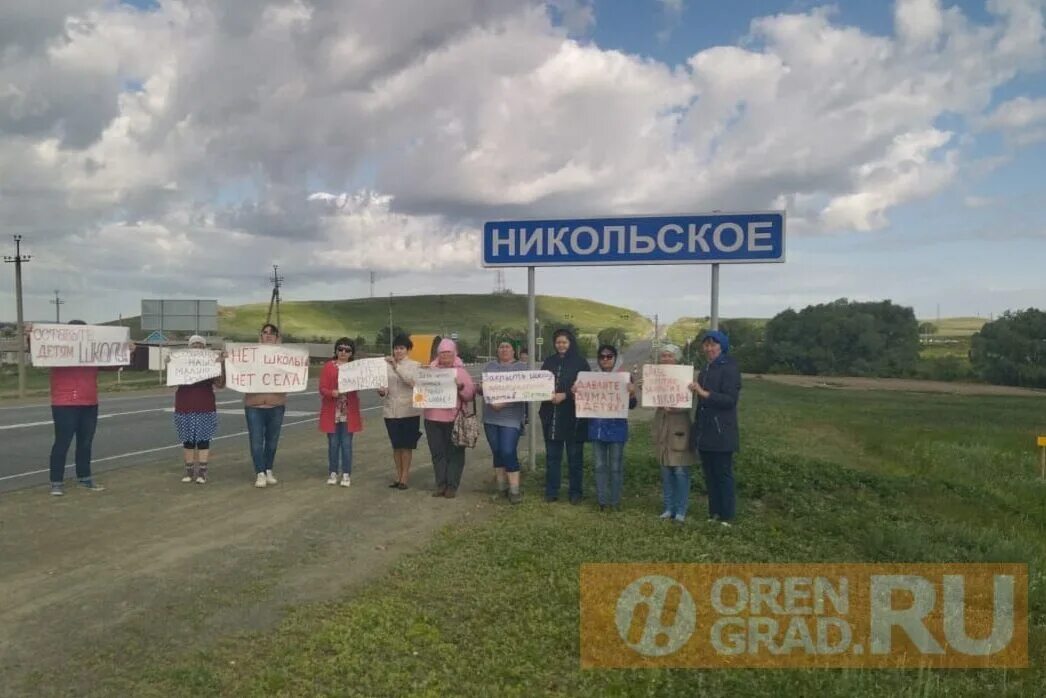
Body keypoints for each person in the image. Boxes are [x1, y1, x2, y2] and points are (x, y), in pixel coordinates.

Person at [45, 320, 108, 496]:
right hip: (64, 403)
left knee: (85, 443)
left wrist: (128, 351)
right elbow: (38, 351)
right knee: (62, 442)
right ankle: (56, 481)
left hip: (89, 402)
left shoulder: (92, 352)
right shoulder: (58, 351)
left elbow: (112, 361)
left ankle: (84, 478)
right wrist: (30, 338)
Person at [690, 330, 741, 526]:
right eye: (706, 345)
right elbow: (701, 398)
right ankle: (714, 513)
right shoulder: (706, 369)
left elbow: (730, 400)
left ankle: (727, 516)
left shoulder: (730, 368)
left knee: (723, 475)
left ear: (722, 347)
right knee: (709, 475)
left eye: (713, 344)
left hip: (722, 432)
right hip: (705, 431)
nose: (709, 348)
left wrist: (704, 393)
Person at [585, 344, 636, 511]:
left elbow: (632, 405)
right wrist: (577, 391)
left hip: (617, 428)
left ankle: (614, 501)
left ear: (614, 358)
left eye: (609, 356)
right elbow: (583, 401)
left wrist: (632, 393)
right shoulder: (590, 378)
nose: (605, 359)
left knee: (615, 467)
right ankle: (602, 501)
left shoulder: (624, 377)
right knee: (599, 466)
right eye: (602, 357)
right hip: (597, 428)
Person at [539, 328, 589, 503]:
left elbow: (587, 388)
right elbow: (539, 383)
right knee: (553, 457)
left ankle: (575, 492)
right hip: (551, 416)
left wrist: (566, 395)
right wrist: (545, 394)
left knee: (575, 457)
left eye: (564, 342)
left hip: (573, 417)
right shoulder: (549, 362)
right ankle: (552, 491)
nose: (561, 345)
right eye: (558, 342)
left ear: (570, 343)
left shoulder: (580, 363)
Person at [423, 338, 475, 498]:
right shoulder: (429, 371)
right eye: (442, 352)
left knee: (455, 453)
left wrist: (460, 388)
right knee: (437, 453)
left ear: (454, 354)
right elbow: (421, 393)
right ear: (438, 354)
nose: (445, 355)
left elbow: (470, 395)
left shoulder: (461, 372)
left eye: (448, 352)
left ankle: (452, 485)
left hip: (454, 419)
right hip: (432, 418)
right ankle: (441, 484)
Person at [650, 343, 694, 524]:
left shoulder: (686, 377)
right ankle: (668, 508)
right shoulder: (655, 377)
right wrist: (646, 388)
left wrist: (674, 407)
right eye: (663, 356)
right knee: (666, 469)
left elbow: (690, 401)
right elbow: (648, 400)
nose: (666, 359)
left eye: (670, 355)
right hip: (662, 426)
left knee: (680, 470)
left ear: (677, 358)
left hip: (679, 426)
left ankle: (681, 510)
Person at [172, 335, 224, 484]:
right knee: (187, 440)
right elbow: (171, 382)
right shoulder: (181, 361)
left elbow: (220, 384)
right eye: (194, 344)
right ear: (189, 347)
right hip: (184, 405)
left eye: (200, 345)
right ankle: (189, 471)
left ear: (204, 347)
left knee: (203, 440)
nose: (197, 347)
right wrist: (170, 365)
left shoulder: (210, 362)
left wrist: (220, 365)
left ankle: (202, 472)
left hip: (205, 406)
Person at [478, 340, 525, 504]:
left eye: (508, 347)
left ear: (514, 351)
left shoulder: (521, 368)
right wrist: (480, 387)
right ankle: (501, 488)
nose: (504, 349)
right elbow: (481, 389)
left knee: (507, 451)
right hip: (490, 417)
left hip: (511, 417)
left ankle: (515, 490)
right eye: (501, 347)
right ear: (497, 350)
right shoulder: (490, 367)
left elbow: (525, 391)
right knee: (497, 451)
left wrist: (502, 403)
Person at [377, 334, 422, 489]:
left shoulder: (415, 365)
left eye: (402, 348)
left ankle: (405, 477)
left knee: (406, 445)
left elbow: (413, 382)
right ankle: (398, 475)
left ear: (407, 350)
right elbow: (383, 387)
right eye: (396, 348)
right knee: (396, 446)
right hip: (391, 412)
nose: (398, 351)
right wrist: (381, 391)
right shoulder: (385, 365)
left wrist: (397, 367)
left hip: (409, 411)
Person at [244, 323, 285, 488]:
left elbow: (295, 374)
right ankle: (259, 472)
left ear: (277, 337)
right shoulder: (249, 355)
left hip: (276, 406)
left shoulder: (285, 357)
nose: (268, 335)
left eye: (272, 333)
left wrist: (302, 364)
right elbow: (238, 370)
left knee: (272, 442)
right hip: (254, 406)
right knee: (256, 441)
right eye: (265, 333)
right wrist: (228, 359)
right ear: (260, 336)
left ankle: (268, 469)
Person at [318, 337, 362, 487]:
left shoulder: (356, 367)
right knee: (333, 444)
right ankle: (333, 472)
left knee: (347, 444)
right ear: (336, 350)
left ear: (351, 352)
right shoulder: (328, 366)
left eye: (347, 350)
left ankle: (346, 473)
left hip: (349, 412)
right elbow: (322, 388)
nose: (343, 352)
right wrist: (332, 393)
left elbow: (365, 382)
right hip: (332, 411)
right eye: (340, 349)